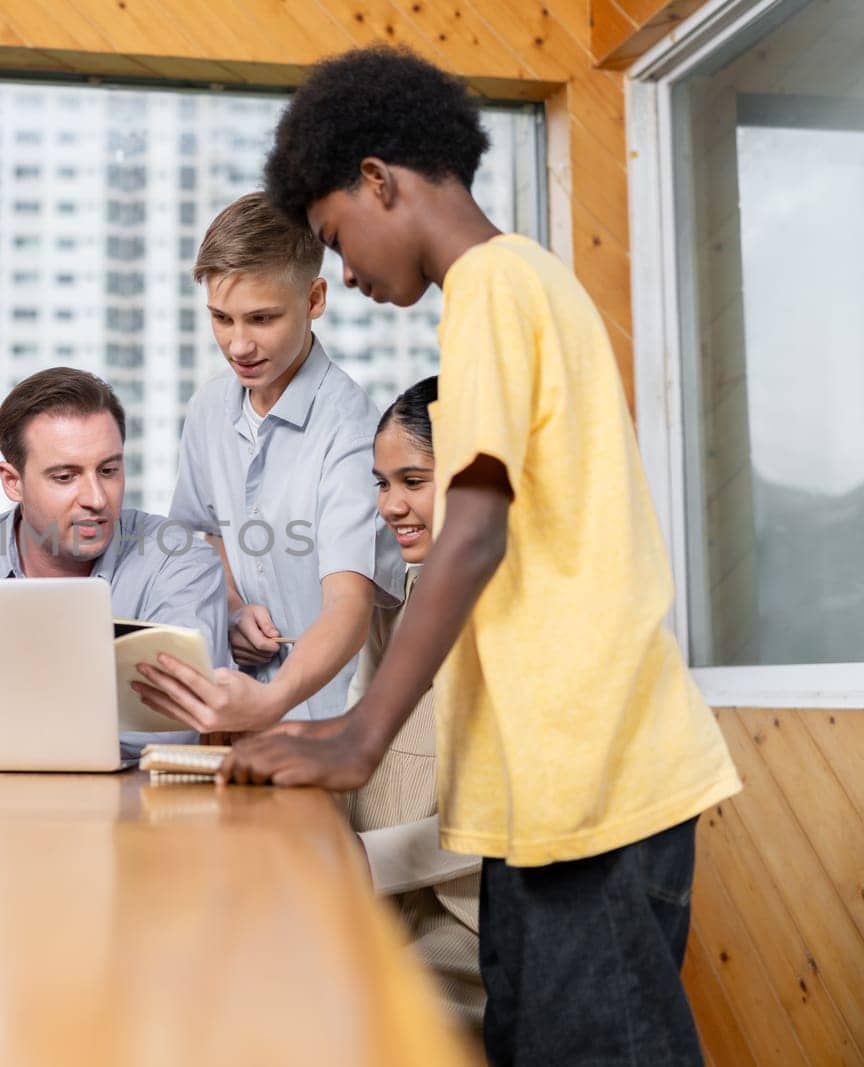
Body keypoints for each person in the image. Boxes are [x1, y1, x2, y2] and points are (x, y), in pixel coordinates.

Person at [140, 46, 741, 1064]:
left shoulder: (498, 284)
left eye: (336, 237)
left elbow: (473, 526)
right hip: (538, 792)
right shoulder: (500, 294)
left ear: (378, 180)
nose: (349, 273)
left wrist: (358, 733)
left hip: (590, 781)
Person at [166, 191, 400, 734]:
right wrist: (230, 606)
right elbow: (207, 533)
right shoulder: (207, 409)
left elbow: (348, 602)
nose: (238, 344)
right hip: (235, 720)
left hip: (332, 726)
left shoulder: (352, 427)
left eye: (262, 318)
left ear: (315, 298)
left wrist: (272, 703)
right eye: (221, 318)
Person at [0, 368, 228, 755]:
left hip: (129, 810)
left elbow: (173, 727)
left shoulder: (178, 562)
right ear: (12, 481)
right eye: (65, 476)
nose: (96, 497)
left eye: (109, 471)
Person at [345, 377, 483, 1031]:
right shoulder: (403, 594)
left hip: (465, 934)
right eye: (382, 483)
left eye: (413, 480)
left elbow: (499, 819)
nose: (391, 504)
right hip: (386, 907)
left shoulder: (508, 614)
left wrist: (356, 863)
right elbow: (355, 737)